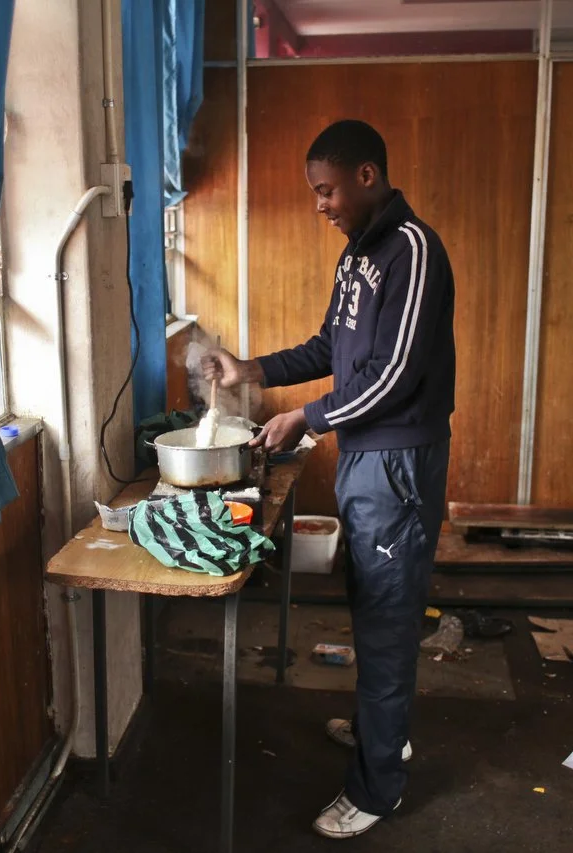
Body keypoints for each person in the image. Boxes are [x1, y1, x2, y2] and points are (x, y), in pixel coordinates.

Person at [202, 118, 455, 839]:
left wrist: (308, 420)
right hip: (367, 459)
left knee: (386, 621)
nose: (321, 204)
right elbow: (330, 347)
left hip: (398, 462)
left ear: (367, 176)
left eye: (327, 190)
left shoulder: (411, 250)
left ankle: (378, 787)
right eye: (316, 193)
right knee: (375, 606)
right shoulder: (358, 255)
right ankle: (386, 734)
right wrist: (251, 369)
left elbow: (396, 374)